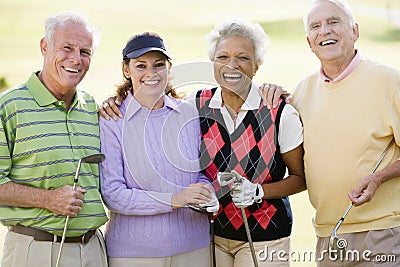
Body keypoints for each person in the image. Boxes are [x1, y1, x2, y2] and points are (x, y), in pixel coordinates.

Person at [100, 19, 306, 267]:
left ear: (256, 65)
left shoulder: (275, 111)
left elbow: (301, 178)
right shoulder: (198, 106)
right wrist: (195, 194)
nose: (232, 65)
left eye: (243, 58)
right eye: (223, 56)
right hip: (216, 235)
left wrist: (258, 191)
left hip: (262, 235)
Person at [261, 0, 400, 266]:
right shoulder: (301, 92)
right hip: (328, 235)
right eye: (316, 26)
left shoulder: (389, 82)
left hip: (384, 232)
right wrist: (274, 95)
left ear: (355, 31)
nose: (324, 30)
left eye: (334, 22)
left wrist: (380, 177)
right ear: (309, 42)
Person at [99, 32, 218, 267]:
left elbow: (198, 173)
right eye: (141, 66)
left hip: (196, 247)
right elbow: (113, 194)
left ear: (169, 68)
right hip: (133, 254)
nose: (151, 73)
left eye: (159, 65)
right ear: (126, 70)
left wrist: (205, 192)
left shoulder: (189, 114)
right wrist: (175, 200)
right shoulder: (111, 120)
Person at [0, 11, 108, 267]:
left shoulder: (93, 108)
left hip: (94, 250)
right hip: (36, 251)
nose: (76, 59)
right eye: (67, 48)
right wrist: (48, 199)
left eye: (85, 52)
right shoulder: (9, 107)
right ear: (44, 46)